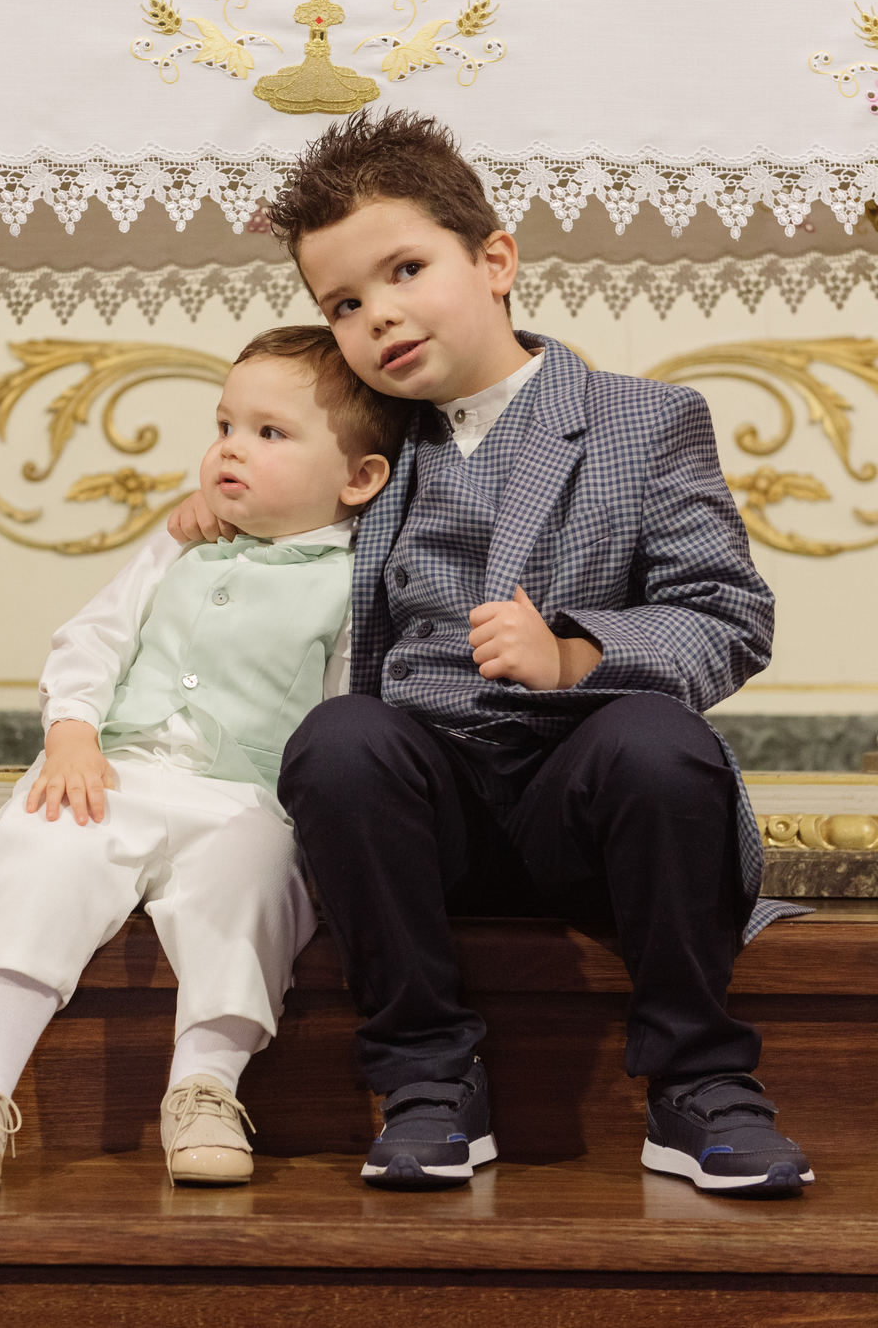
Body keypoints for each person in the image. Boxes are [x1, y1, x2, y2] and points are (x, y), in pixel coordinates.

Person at [236, 107, 810, 1196]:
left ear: (495, 259)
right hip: (430, 807)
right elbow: (268, 485)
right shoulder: (369, 442)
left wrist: (579, 655)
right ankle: (428, 1080)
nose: (380, 317)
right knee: (341, 739)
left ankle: (700, 1085)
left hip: (584, 797)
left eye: (405, 269)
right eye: (345, 304)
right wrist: (214, 501)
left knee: (657, 742)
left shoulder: (644, 420)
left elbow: (728, 614)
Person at [0, 325, 409, 1193]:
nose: (231, 450)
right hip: (118, 768)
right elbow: (97, 637)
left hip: (245, 794)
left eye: (270, 434)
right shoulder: (179, 543)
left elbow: (343, 708)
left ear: (360, 478)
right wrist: (71, 730)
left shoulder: (355, 579)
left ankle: (207, 1087)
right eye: (225, 425)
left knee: (253, 884)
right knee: (43, 847)